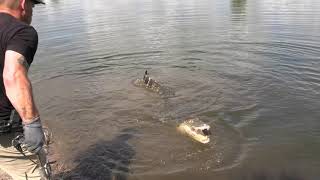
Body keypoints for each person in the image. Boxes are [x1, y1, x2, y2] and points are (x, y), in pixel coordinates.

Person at [0, 0, 50, 179]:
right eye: (33, 5)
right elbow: (13, 75)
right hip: (4, 132)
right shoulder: (20, 31)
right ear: (23, 4)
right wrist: (32, 123)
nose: (32, 11)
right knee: (34, 174)